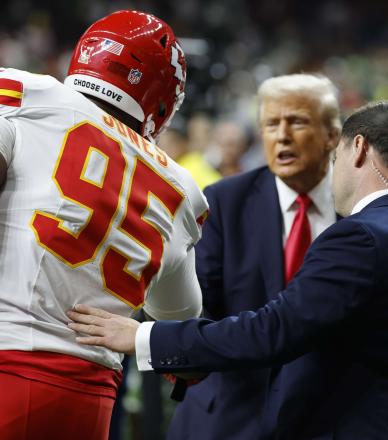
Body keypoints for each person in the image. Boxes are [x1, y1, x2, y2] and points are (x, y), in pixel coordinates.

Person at [0, 10, 207, 440]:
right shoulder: (180, 187)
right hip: (89, 404)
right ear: (163, 101)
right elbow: (179, 322)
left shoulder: (27, 95)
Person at [68, 101, 388, 439]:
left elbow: (272, 330)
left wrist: (144, 336)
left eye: (337, 157)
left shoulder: (361, 237)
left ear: (359, 148)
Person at [166, 73, 340, 439]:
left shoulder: (357, 212)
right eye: (271, 124)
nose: (282, 135)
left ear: (332, 135)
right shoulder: (224, 202)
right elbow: (197, 307)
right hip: (227, 417)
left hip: (327, 419)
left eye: (297, 121)